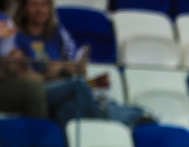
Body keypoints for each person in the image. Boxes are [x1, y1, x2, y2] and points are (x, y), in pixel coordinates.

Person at [12, 0, 148, 127]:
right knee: (79, 87)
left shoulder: (58, 33)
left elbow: (78, 69)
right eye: (34, 5)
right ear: (24, 9)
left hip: (64, 88)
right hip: (38, 92)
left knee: (70, 106)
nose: (39, 10)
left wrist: (66, 67)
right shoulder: (15, 36)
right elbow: (17, 75)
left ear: (50, 8)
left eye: (44, 5)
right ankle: (104, 122)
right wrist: (48, 76)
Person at [0, 0, 46, 121]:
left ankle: (39, 137)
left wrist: (14, 61)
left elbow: (4, 63)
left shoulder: (3, 21)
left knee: (33, 88)